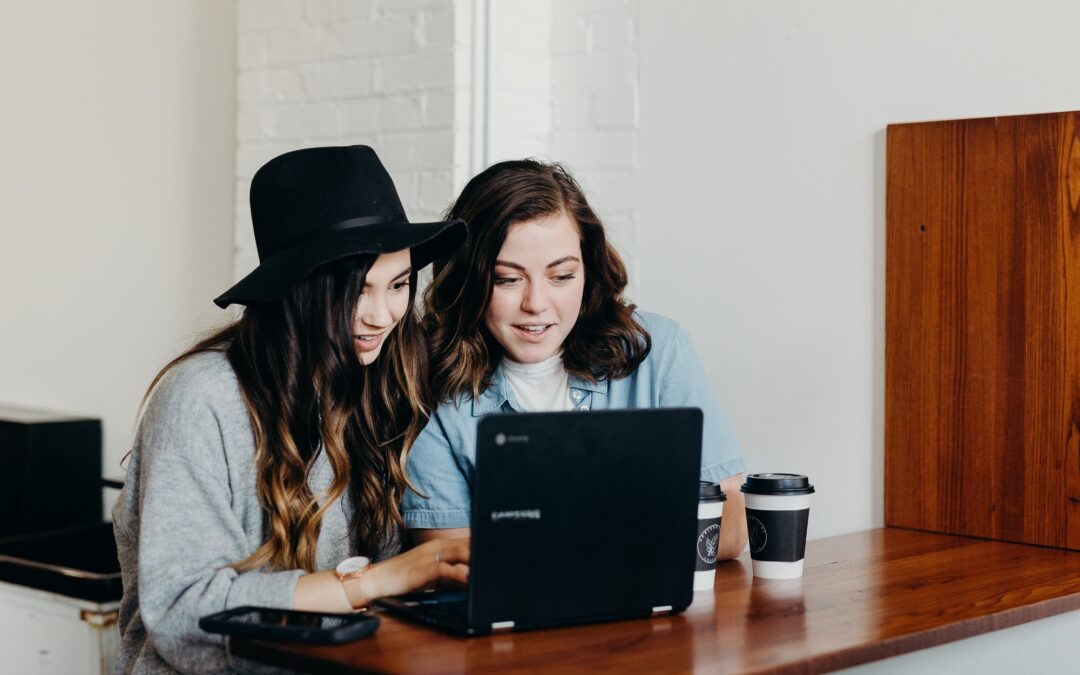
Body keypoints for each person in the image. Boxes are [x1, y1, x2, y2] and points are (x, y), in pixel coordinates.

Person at [112, 145, 470, 673]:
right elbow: (183, 610)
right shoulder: (202, 397)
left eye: (397, 285)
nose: (382, 315)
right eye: (356, 290)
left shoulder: (381, 385)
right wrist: (374, 581)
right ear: (298, 289)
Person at [403, 159, 748, 559]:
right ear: (469, 280)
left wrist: (553, 541)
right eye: (507, 279)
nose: (536, 304)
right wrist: (635, 526)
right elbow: (447, 560)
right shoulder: (430, 383)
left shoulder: (657, 350)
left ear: (588, 270)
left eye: (561, 276)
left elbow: (732, 525)